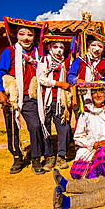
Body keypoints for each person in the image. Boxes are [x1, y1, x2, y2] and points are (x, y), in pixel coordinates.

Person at [0, 17, 48, 175]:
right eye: (22, 34)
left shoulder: (39, 54)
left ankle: (36, 158)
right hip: (12, 97)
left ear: (34, 37)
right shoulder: (9, 52)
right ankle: (17, 157)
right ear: (16, 36)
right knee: (12, 129)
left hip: (31, 97)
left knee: (35, 126)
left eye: (30, 35)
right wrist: (0, 93)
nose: (26, 38)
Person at [69, 82, 105, 179]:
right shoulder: (86, 113)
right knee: (101, 155)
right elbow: (78, 137)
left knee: (102, 155)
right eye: (95, 93)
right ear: (91, 95)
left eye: (101, 92)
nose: (98, 95)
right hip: (90, 150)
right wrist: (93, 144)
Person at [37, 35, 73, 171]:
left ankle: (61, 155)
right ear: (49, 48)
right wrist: (58, 83)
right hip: (46, 100)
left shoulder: (66, 63)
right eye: (55, 47)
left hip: (60, 101)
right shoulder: (44, 61)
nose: (58, 50)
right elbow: (41, 78)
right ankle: (49, 156)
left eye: (61, 47)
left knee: (63, 128)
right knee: (45, 128)